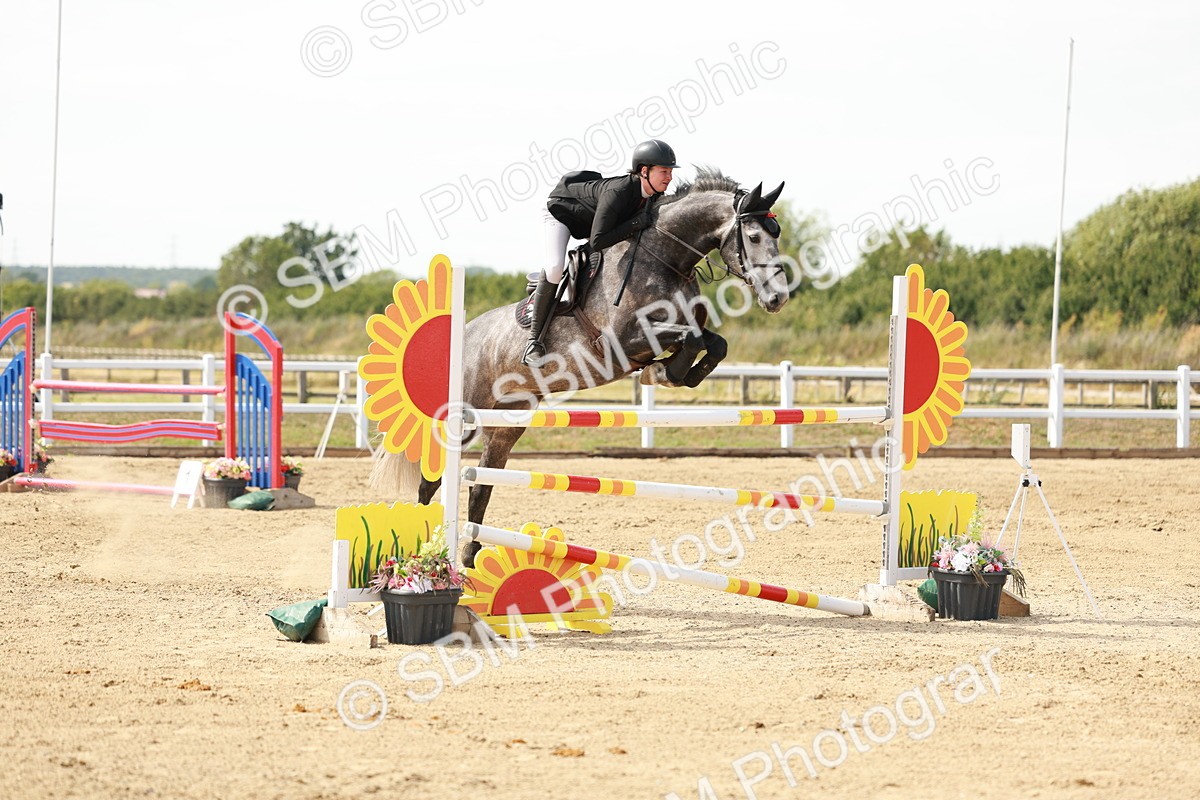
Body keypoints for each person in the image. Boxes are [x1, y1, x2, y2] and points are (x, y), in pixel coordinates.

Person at [522, 139, 679, 366]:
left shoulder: (652, 196)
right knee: (556, 268)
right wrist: (635, 223)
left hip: (592, 222)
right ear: (644, 171)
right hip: (560, 214)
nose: (669, 177)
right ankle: (534, 342)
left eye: (671, 171)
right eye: (664, 171)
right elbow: (598, 241)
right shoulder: (619, 192)